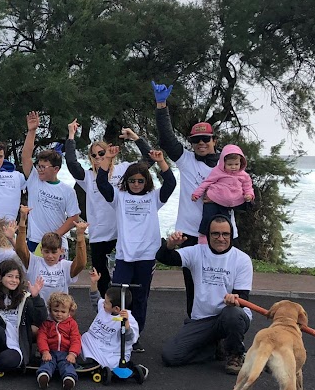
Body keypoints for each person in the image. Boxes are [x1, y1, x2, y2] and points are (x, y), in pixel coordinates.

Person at [153, 80, 234, 316]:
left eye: (205, 139)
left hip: (222, 233)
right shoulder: (186, 160)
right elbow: (167, 139)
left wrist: (219, 196)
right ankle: (194, 330)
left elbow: (242, 198)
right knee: (193, 286)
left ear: (214, 141)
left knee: (223, 287)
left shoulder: (227, 164)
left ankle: (221, 336)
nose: (200, 144)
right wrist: (161, 105)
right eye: (195, 141)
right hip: (189, 233)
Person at [96, 149, 176, 351]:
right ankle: (116, 332)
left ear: (146, 182)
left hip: (147, 256)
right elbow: (102, 184)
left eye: (140, 181)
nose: (136, 184)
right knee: (118, 296)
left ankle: (135, 334)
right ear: (127, 181)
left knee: (140, 298)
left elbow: (171, 184)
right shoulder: (119, 197)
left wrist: (161, 161)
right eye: (132, 181)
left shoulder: (153, 197)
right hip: (124, 256)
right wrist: (107, 159)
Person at [64, 118, 154, 295]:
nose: (98, 157)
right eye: (94, 155)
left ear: (109, 152)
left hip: (121, 232)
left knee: (126, 275)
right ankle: (105, 311)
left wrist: (135, 137)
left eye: (101, 153)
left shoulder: (123, 170)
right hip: (99, 234)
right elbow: (72, 163)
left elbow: (149, 159)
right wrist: (71, 135)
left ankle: (127, 310)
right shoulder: (88, 177)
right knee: (101, 277)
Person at [156, 215, 254, 374]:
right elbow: (164, 257)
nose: (220, 238)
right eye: (215, 234)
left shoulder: (242, 259)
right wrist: (170, 245)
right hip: (202, 319)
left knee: (233, 314)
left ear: (231, 236)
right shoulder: (196, 252)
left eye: (225, 234)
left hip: (229, 316)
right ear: (208, 235)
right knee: (170, 356)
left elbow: (243, 299)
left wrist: (234, 300)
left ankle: (235, 354)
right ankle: (213, 349)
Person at [21, 112, 81, 252]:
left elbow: (74, 217)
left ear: (56, 169)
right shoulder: (34, 179)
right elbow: (26, 157)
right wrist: (32, 131)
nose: (40, 170)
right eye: (39, 166)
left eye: (43, 167)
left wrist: (55, 236)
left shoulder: (67, 190)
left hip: (57, 244)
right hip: (35, 241)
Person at [15, 206, 88, 301]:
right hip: (37, 310)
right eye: (46, 252)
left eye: (54, 252)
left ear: (61, 250)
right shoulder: (34, 262)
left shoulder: (65, 266)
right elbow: (21, 249)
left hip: (59, 311)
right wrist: (22, 220)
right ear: (41, 250)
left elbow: (81, 263)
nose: (50, 256)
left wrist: (80, 236)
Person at [191, 145, 254, 240]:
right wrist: (197, 194)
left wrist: (249, 195)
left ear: (241, 163)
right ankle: (203, 239)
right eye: (230, 165)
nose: (233, 167)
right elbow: (207, 182)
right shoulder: (218, 171)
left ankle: (225, 244)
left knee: (224, 224)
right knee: (207, 219)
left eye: (236, 164)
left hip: (228, 204)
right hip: (213, 198)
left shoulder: (244, 176)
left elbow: (248, 187)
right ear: (223, 163)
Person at [79, 284, 141, 374]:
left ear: (116, 309)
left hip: (113, 351)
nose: (103, 303)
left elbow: (129, 338)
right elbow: (95, 299)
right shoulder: (105, 308)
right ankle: (96, 362)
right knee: (84, 337)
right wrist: (94, 282)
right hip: (96, 343)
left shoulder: (129, 319)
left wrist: (126, 323)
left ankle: (128, 367)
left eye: (106, 302)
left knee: (112, 363)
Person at [35, 292, 82, 390]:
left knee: (67, 364)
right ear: (50, 309)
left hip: (66, 352)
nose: (59, 314)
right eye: (55, 311)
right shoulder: (47, 323)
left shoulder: (72, 324)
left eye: (63, 312)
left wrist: (73, 354)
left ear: (69, 311)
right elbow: (41, 337)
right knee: (47, 362)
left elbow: (76, 339)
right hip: (50, 351)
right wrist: (45, 351)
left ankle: (68, 379)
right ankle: (44, 376)